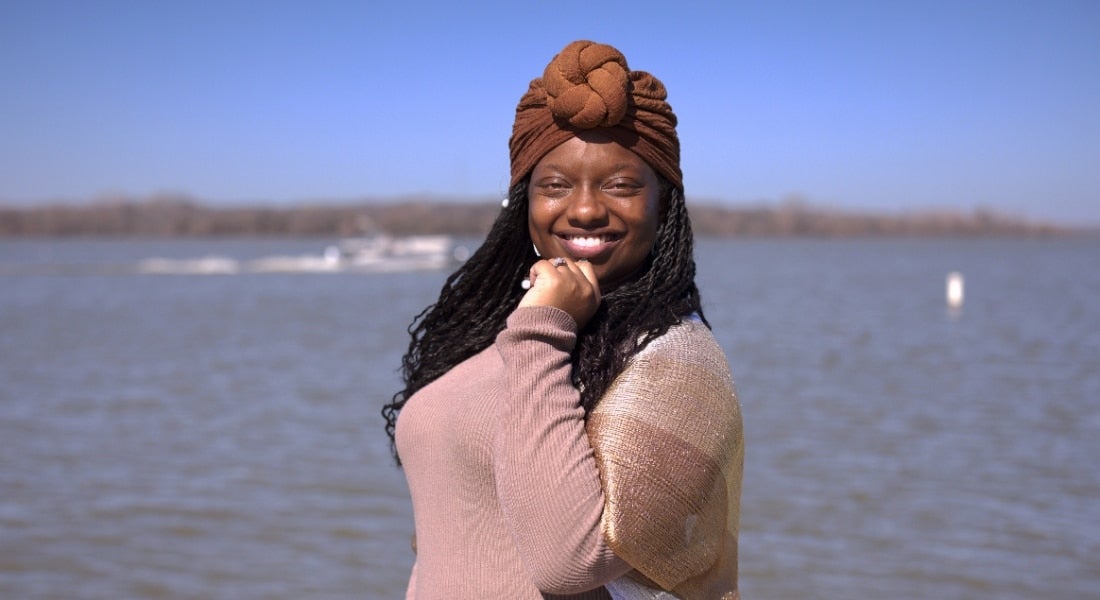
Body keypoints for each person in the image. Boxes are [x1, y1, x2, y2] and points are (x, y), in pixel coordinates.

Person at [382, 40, 744, 599]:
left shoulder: (675, 361)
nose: (585, 209)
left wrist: (542, 333)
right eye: (554, 185)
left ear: (664, 204)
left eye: (620, 185)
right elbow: (445, 542)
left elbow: (567, 561)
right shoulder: (507, 327)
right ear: (524, 203)